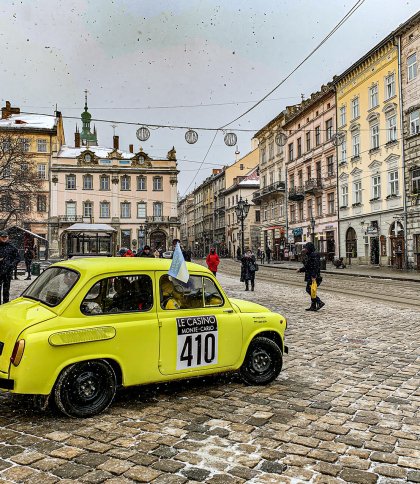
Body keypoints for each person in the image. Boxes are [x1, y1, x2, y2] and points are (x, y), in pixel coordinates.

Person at [297, 241, 325, 311]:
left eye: (306, 248)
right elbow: (307, 266)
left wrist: (313, 276)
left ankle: (319, 302)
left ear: (309, 248)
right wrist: (300, 269)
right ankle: (313, 306)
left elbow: (315, 267)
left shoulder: (314, 255)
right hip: (310, 275)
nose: (305, 249)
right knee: (312, 290)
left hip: (313, 276)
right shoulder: (309, 255)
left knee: (309, 289)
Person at [0, 231, 22, 304]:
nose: (4, 238)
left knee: (6, 290)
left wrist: (11, 264)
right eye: (2, 237)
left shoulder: (12, 247)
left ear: (8, 237)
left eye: (5, 237)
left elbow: (18, 258)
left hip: (7, 272)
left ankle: (5, 304)